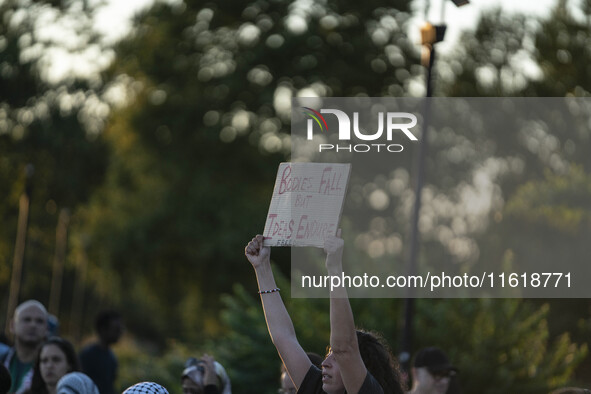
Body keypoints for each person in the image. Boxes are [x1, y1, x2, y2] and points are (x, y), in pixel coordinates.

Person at [245, 232, 405, 394]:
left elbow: (344, 347)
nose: (324, 363)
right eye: (328, 355)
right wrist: (262, 267)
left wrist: (334, 268)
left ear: (361, 368)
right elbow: (283, 337)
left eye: (336, 359)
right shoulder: (318, 389)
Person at [1, 300, 49, 394]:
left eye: (39, 321)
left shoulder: (53, 367)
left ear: (46, 329)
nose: (33, 325)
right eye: (27, 319)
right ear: (12, 325)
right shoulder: (2, 360)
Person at [79, 310, 123, 394]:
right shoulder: (88, 356)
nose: (120, 333)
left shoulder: (111, 357)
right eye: (116, 329)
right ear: (103, 330)